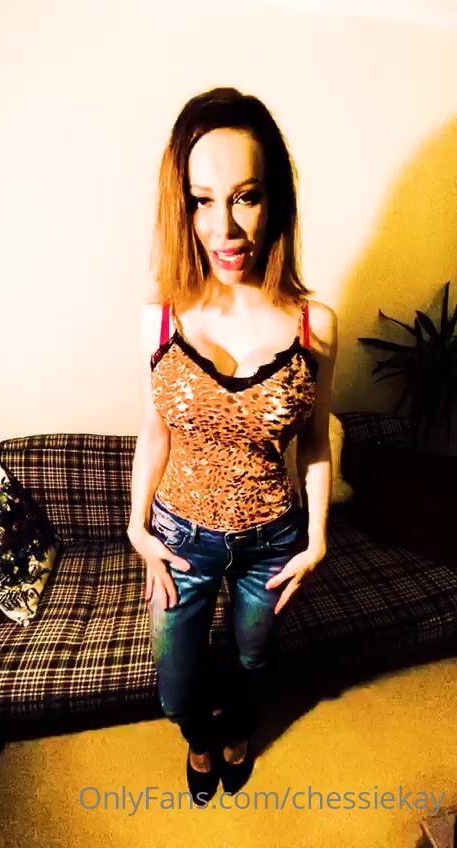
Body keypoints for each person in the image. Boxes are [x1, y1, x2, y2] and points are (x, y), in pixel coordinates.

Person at [127, 87, 337, 804]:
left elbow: (315, 444)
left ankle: (240, 732)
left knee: (252, 660)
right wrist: (136, 527)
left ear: (275, 200)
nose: (225, 228)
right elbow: (154, 430)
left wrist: (317, 539)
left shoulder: (314, 326)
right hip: (179, 538)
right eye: (202, 201)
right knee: (174, 684)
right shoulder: (161, 318)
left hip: (273, 540)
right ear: (181, 207)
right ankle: (198, 740)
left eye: (245, 196)